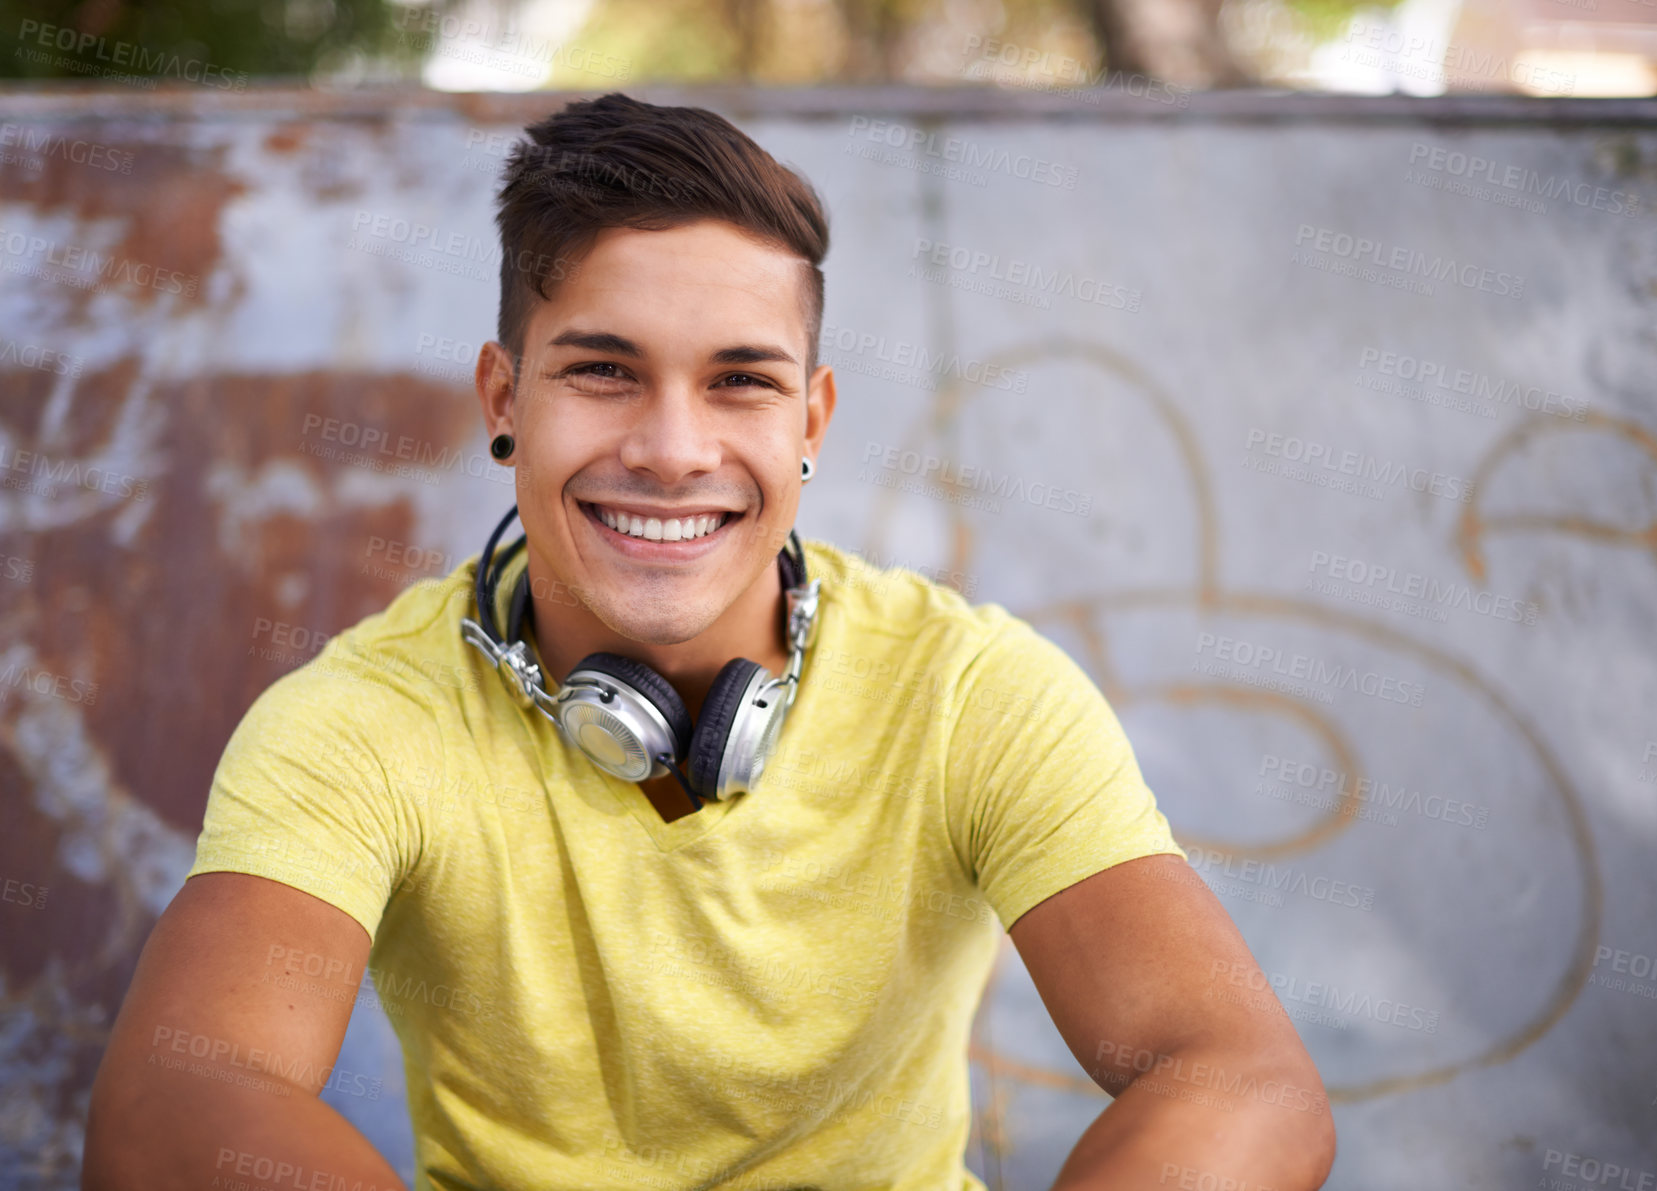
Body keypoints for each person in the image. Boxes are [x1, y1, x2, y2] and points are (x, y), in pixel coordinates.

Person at [83, 93, 1334, 1191]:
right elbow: (174, 1110)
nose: (675, 450)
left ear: (812, 418)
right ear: (503, 401)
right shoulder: (360, 721)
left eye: (740, 380)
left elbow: (1238, 1079)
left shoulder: (971, 692)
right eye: (605, 371)